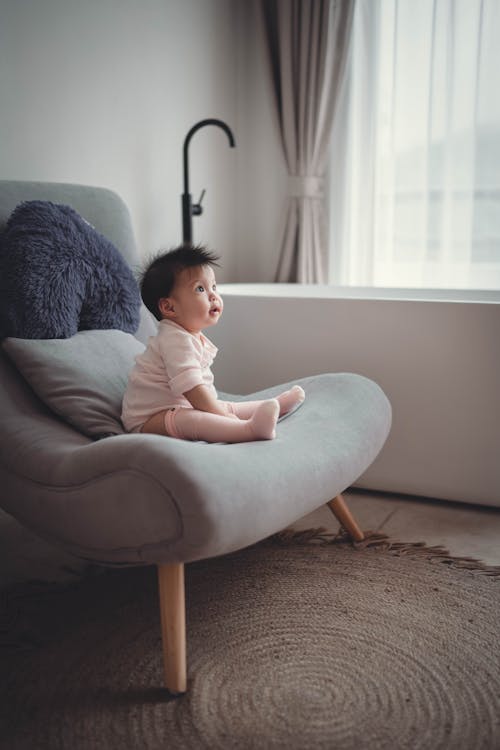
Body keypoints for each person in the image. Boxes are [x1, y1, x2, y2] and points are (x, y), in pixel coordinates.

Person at [121, 244, 305, 442]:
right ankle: (249, 430)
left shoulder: (186, 335)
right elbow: (193, 390)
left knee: (224, 405)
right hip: (148, 420)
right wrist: (223, 416)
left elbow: (202, 397)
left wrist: (220, 410)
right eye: (200, 288)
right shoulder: (174, 339)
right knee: (192, 419)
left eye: (214, 287)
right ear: (169, 307)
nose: (213, 295)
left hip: (177, 405)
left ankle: (273, 406)